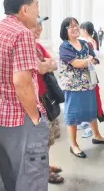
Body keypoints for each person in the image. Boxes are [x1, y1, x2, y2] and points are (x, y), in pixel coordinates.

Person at [0, 0, 49, 191]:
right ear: (24, 9)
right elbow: (22, 82)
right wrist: (36, 119)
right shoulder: (22, 34)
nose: (39, 11)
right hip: (19, 120)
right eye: (36, 5)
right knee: (32, 179)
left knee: (11, 178)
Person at [58, 17, 104, 159]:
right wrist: (88, 60)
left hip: (88, 85)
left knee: (91, 111)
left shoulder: (84, 44)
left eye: (76, 25)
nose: (75, 28)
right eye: (71, 27)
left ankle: (97, 135)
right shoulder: (65, 46)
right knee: (73, 115)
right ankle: (73, 145)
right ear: (65, 31)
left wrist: (89, 60)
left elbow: (94, 58)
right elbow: (76, 63)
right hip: (73, 87)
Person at [32, 16, 64, 184]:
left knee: (49, 137)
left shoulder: (38, 46)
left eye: (41, 26)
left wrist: (46, 65)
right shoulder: (26, 47)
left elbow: (54, 63)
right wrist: (45, 65)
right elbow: (40, 67)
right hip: (35, 100)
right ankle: (43, 171)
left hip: (46, 97)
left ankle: (46, 165)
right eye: (36, 26)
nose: (39, 29)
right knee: (41, 140)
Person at [78, 21, 104, 138]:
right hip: (90, 73)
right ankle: (87, 122)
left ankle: (91, 126)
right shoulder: (92, 41)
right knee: (88, 99)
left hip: (89, 74)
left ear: (84, 30)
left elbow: (90, 59)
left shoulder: (87, 42)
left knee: (91, 100)